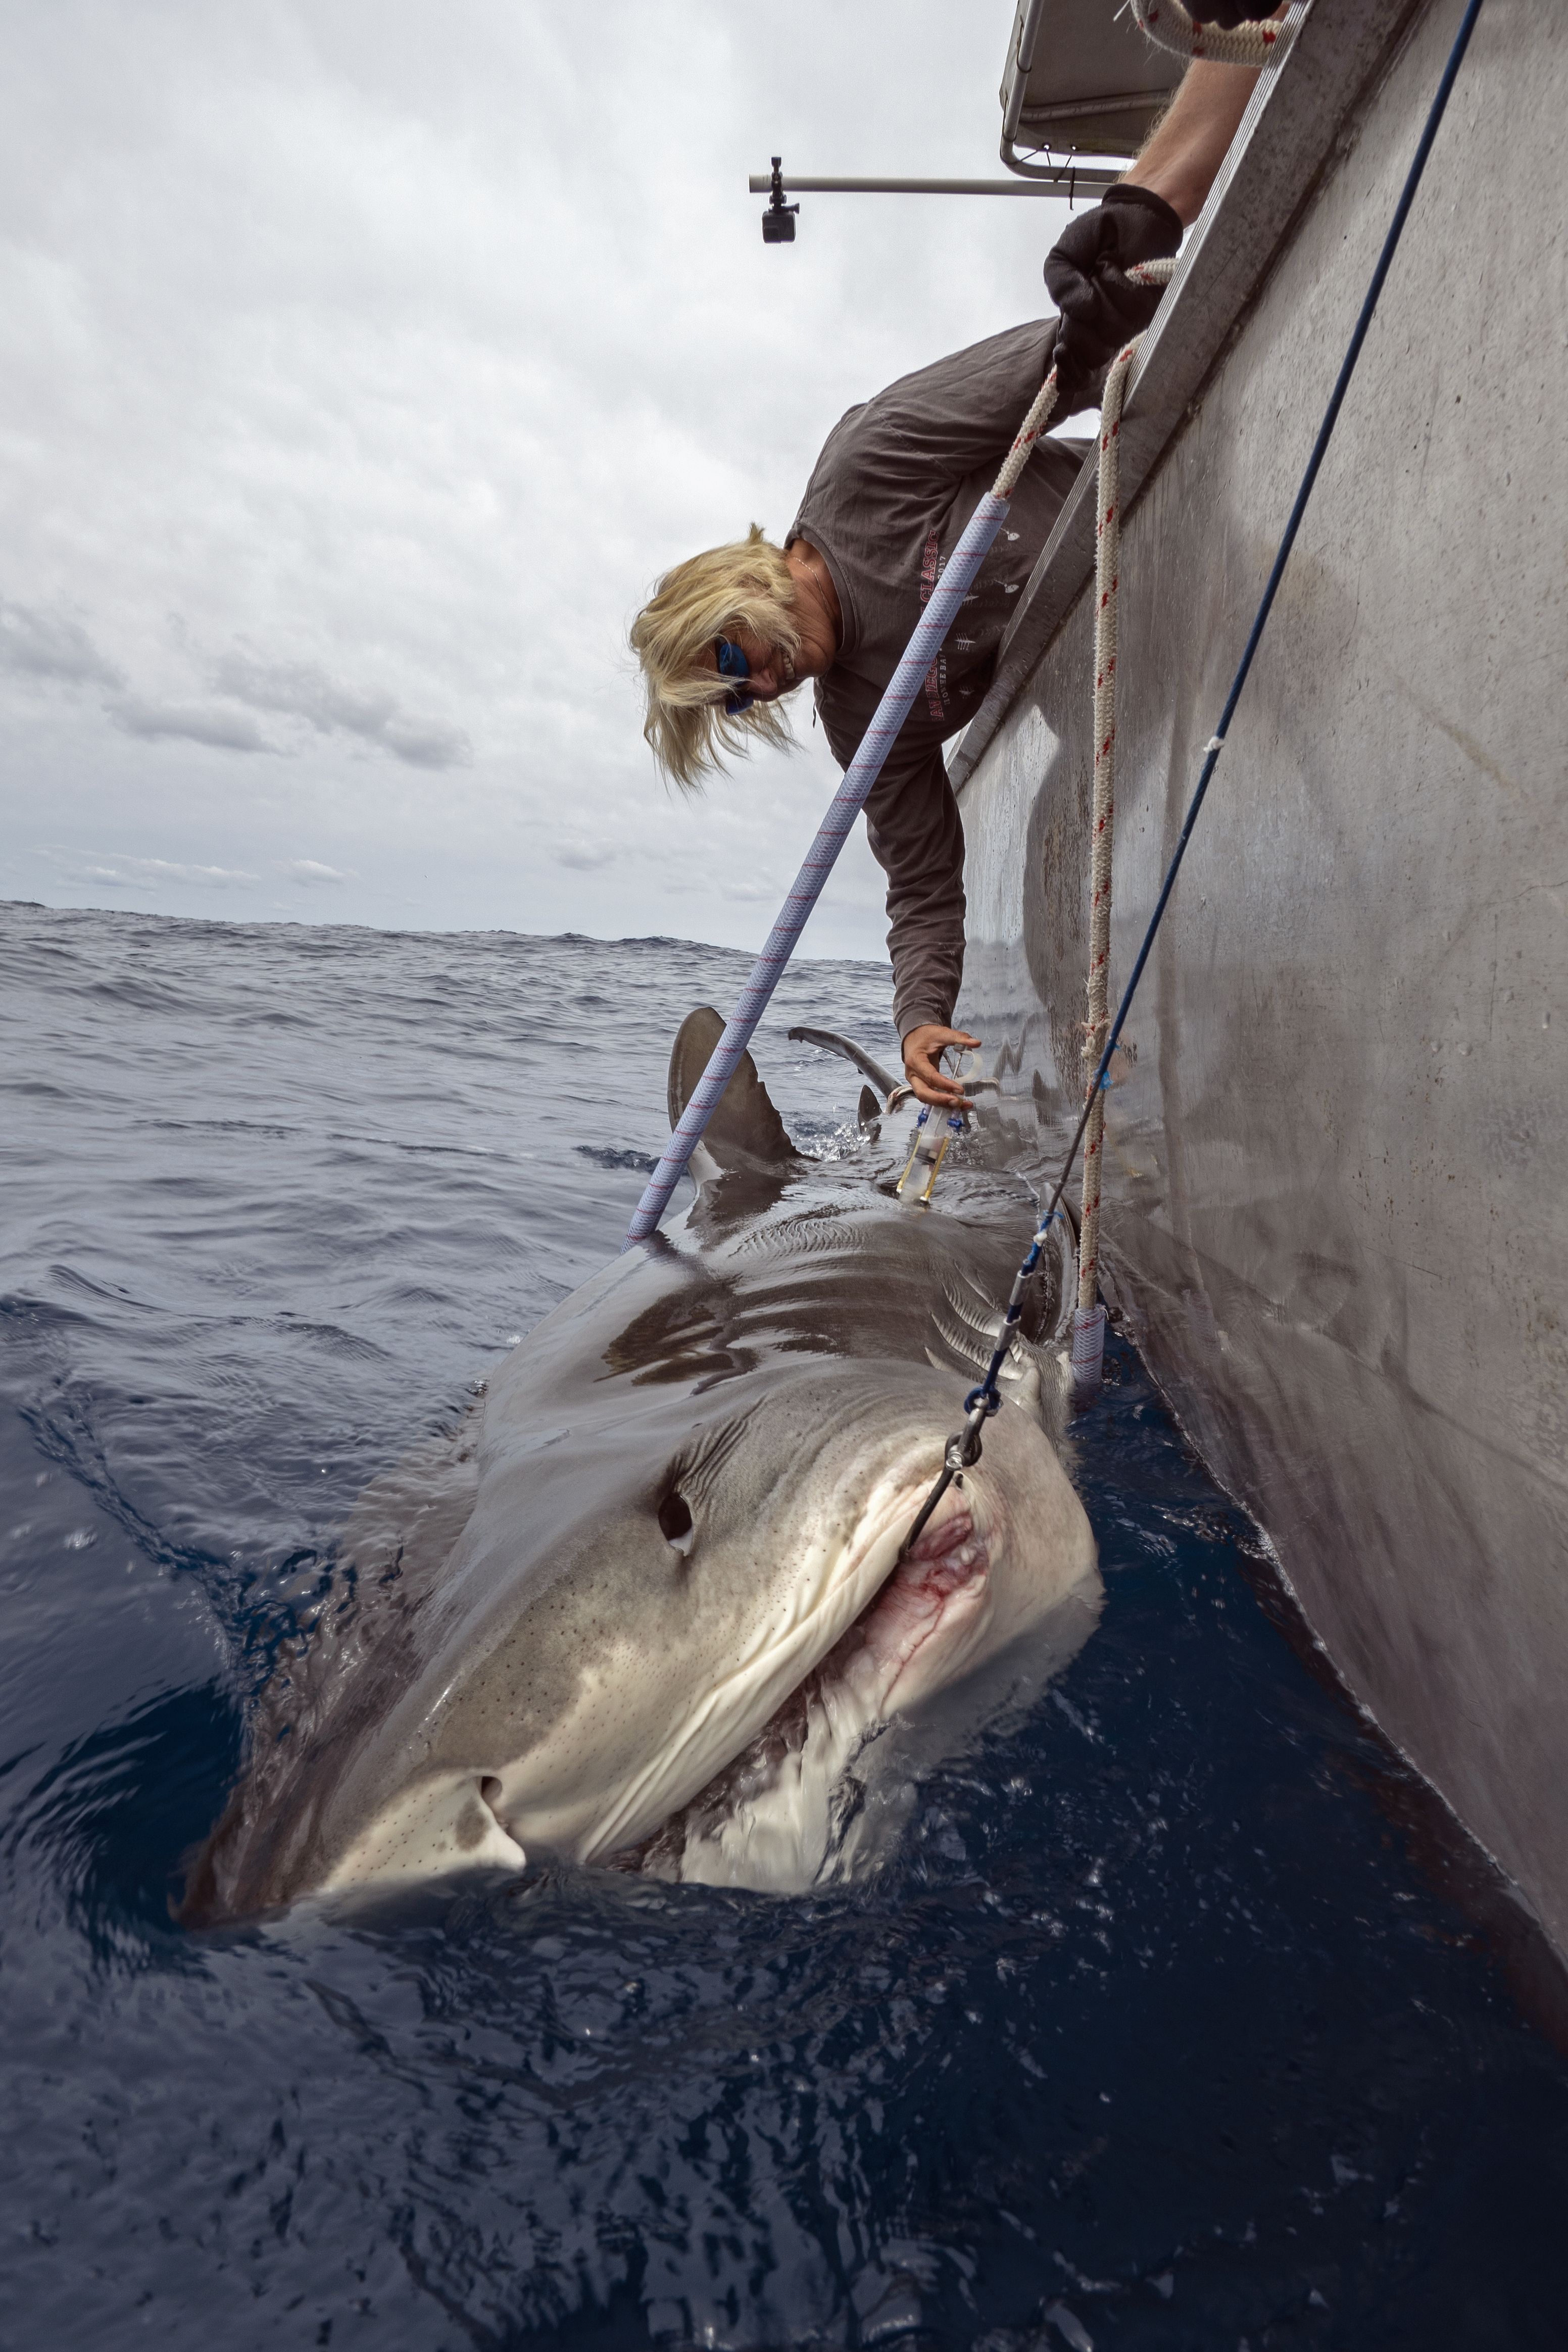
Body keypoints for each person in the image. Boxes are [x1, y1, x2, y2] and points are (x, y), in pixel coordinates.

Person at [630, 17, 1283, 1110]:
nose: (757, 691)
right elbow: (922, 881)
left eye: (731, 663)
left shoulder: (863, 466)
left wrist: (1123, 267)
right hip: (1118, 683)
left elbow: (1057, 364)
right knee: (1043, 896)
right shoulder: (859, 717)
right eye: (736, 704)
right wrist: (919, 1016)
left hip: (1161, 522)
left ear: (731, 590)